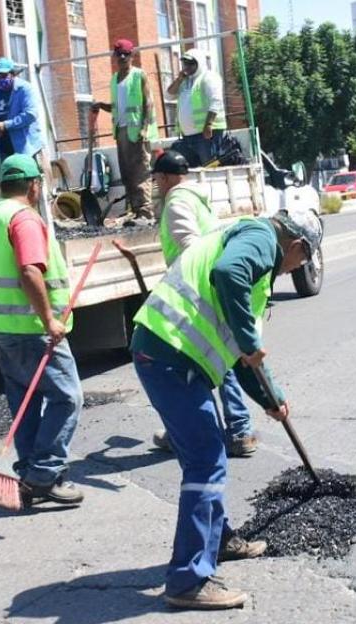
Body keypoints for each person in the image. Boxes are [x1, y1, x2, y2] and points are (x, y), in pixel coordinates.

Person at [130, 205, 324, 610]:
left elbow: (241, 355)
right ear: (297, 245)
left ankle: (218, 540)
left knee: (204, 455)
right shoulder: (260, 239)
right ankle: (188, 580)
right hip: (170, 355)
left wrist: (273, 398)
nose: (294, 269)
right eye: (302, 260)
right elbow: (226, 276)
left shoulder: (257, 256)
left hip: (174, 357)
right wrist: (252, 344)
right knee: (206, 460)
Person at [0, 154, 84, 505]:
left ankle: (30, 472)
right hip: (30, 327)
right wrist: (50, 319)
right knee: (67, 397)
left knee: (25, 398)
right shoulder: (24, 218)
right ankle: (43, 475)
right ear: (34, 184)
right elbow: (30, 271)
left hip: (2, 329)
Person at [145, 151, 256, 458]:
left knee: (200, 361)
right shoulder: (198, 199)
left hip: (194, 294)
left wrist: (182, 283)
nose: (157, 185)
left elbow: (190, 246)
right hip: (210, 289)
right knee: (219, 356)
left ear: (166, 178)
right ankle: (237, 429)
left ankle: (215, 429)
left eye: (157, 179)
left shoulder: (178, 201)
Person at [89, 39, 158, 220]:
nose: (122, 58)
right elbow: (117, 107)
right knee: (127, 173)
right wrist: (101, 105)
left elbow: (148, 103)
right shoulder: (114, 79)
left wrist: (144, 129)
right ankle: (134, 211)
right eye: (118, 54)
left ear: (132, 55)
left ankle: (145, 212)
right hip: (121, 131)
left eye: (125, 54)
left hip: (137, 132)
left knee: (140, 172)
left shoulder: (138, 75)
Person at [0, 57, 46, 163]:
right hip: (4, 149)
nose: (0, 79)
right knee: (9, 178)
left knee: (29, 177)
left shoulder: (25, 89)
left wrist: (6, 125)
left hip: (27, 149)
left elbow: (31, 114)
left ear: (13, 74)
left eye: (4, 75)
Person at [166, 49, 226, 167]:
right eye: (185, 64)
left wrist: (208, 124)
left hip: (207, 135)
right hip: (188, 137)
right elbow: (168, 96)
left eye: (191, 63)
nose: (187, 67)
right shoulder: (184, 81)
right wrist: (179, 79)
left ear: (199, 63)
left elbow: (216, 101)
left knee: (210, 169)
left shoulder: (208, 77)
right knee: (195, 173)